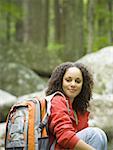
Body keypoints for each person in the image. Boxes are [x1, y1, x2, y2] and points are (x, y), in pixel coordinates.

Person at [46, 62, 107, 150]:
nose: (73, 84)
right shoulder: (57, 101)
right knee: (95, 134)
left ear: (83, 85)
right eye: (68, 80)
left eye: (77, 81)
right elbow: (64, 136)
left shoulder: (78, 108)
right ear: (60, 82)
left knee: (101, 134)